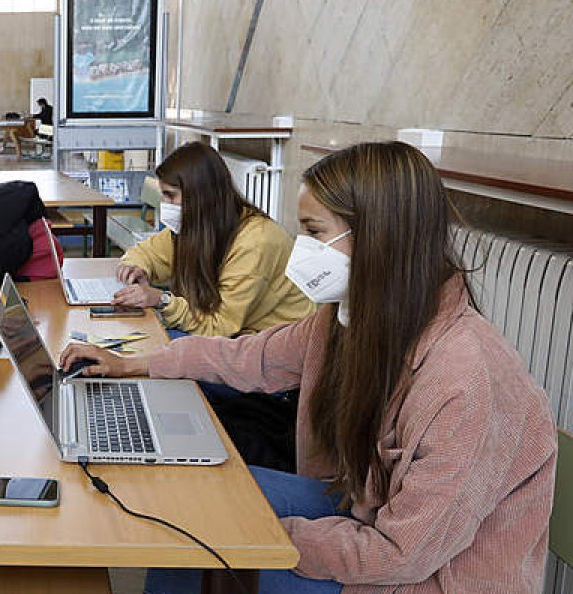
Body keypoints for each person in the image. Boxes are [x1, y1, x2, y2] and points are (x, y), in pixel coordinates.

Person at [60, 141, 557, 594]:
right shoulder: (350, 317)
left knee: (206, 537)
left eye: (314, 232)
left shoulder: (466, 381)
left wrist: (265, 537)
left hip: (418, 577)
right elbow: (248, 356)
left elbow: (401, 555)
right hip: (364, 514)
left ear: (378, 238)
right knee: (186, 512)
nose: (301, 250)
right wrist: (132, 364)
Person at [112, 142, 314, 339]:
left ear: (199, 195)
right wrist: (137, 267)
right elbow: (149, 252)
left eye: (170, 195)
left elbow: (221, 325)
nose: (165, 204)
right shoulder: (199, 225)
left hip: (273, 343)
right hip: (235, 333)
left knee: (149, 349)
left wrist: (162, 301)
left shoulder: (255, 242)